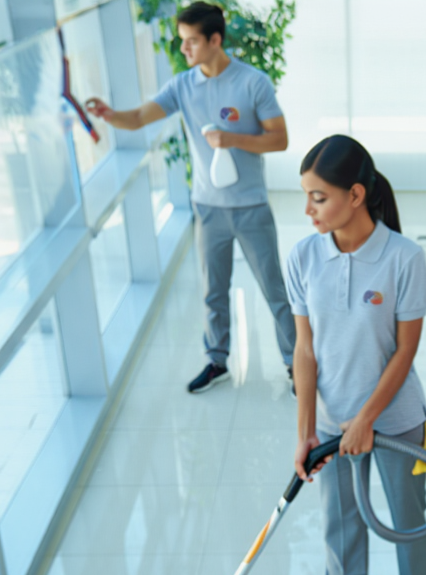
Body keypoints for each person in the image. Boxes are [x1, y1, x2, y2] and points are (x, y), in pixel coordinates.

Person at [287, 135, 426, 575]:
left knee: (407, 524)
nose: (307, 209)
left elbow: (405, 351)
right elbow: (303, 351)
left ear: (356, 195)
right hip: (332, 426)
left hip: (396, 421)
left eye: (318, 197)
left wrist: (368, 420)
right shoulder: (304, 256)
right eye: (305, 196)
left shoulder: (404, 258)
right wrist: (308, 430)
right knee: (340, 528)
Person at [84, 2, 296, 394]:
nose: (183, 49)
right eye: (182, 41)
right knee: (212, 291)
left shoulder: (253, 83)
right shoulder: (182, 85)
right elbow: (139, 118)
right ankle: (217, 361)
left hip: (250, 207)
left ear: (215, 40)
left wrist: (232, 139)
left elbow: (279, 140)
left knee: (273, 288)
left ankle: (294, 363)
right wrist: (109, 114)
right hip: (208, 207)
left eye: (191, 42)